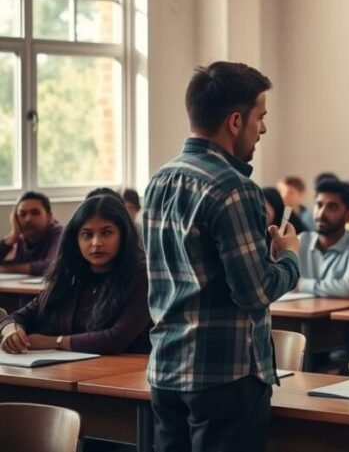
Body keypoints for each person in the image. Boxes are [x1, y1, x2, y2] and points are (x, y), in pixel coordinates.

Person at [145, 61, 300, 452]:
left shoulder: (158, 181)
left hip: (165, 370)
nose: (262, 129)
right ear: (235, 121)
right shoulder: (235, 188)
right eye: (260, 117)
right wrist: (289, 259)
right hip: (224, 377)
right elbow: (254, 291)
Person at [0, 194, 151, 355]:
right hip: (71, 369)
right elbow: (19, 316)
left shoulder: (142, 277)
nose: (96, 243)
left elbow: (116, 338)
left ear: (123, 235)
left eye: (106, 233)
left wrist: (56, 342)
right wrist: (12, 329)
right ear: (76, 238)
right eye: (87, 234)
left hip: (123, 372)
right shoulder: (71, 276)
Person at [295, 179, 349, 298]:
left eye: (332, 207)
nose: (321, 213)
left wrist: (300, 285)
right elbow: (281, 282)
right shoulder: (301, 241)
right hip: (301, 312)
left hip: (341, 316)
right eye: (319, 205)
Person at [0, 191, 62, 276]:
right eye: (22, 214)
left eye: (35, 213)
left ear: (49, 216)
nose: (28, 219)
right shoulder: (19, 238)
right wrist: (13, 236)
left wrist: (5, 269)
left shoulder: (60, 234)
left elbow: (52, 265)